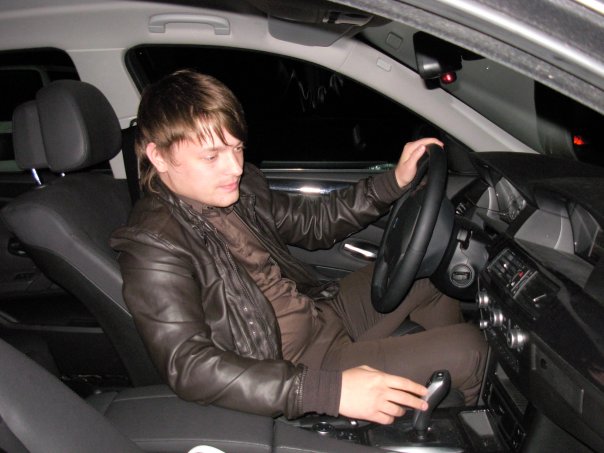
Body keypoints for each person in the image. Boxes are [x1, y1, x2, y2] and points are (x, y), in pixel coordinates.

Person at [110, 69, 487, 425]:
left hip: (320, 309)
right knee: (471, 350)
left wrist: (394, 182)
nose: (235, 168)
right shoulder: (153, 246)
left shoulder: (239, 189)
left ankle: (432, 405)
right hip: (296, 363)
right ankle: (454, 420)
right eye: (212, 156)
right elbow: (190, 367)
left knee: (431, 272)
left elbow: (314, 221)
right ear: (159, 156)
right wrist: (327, 391)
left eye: (237, 148)